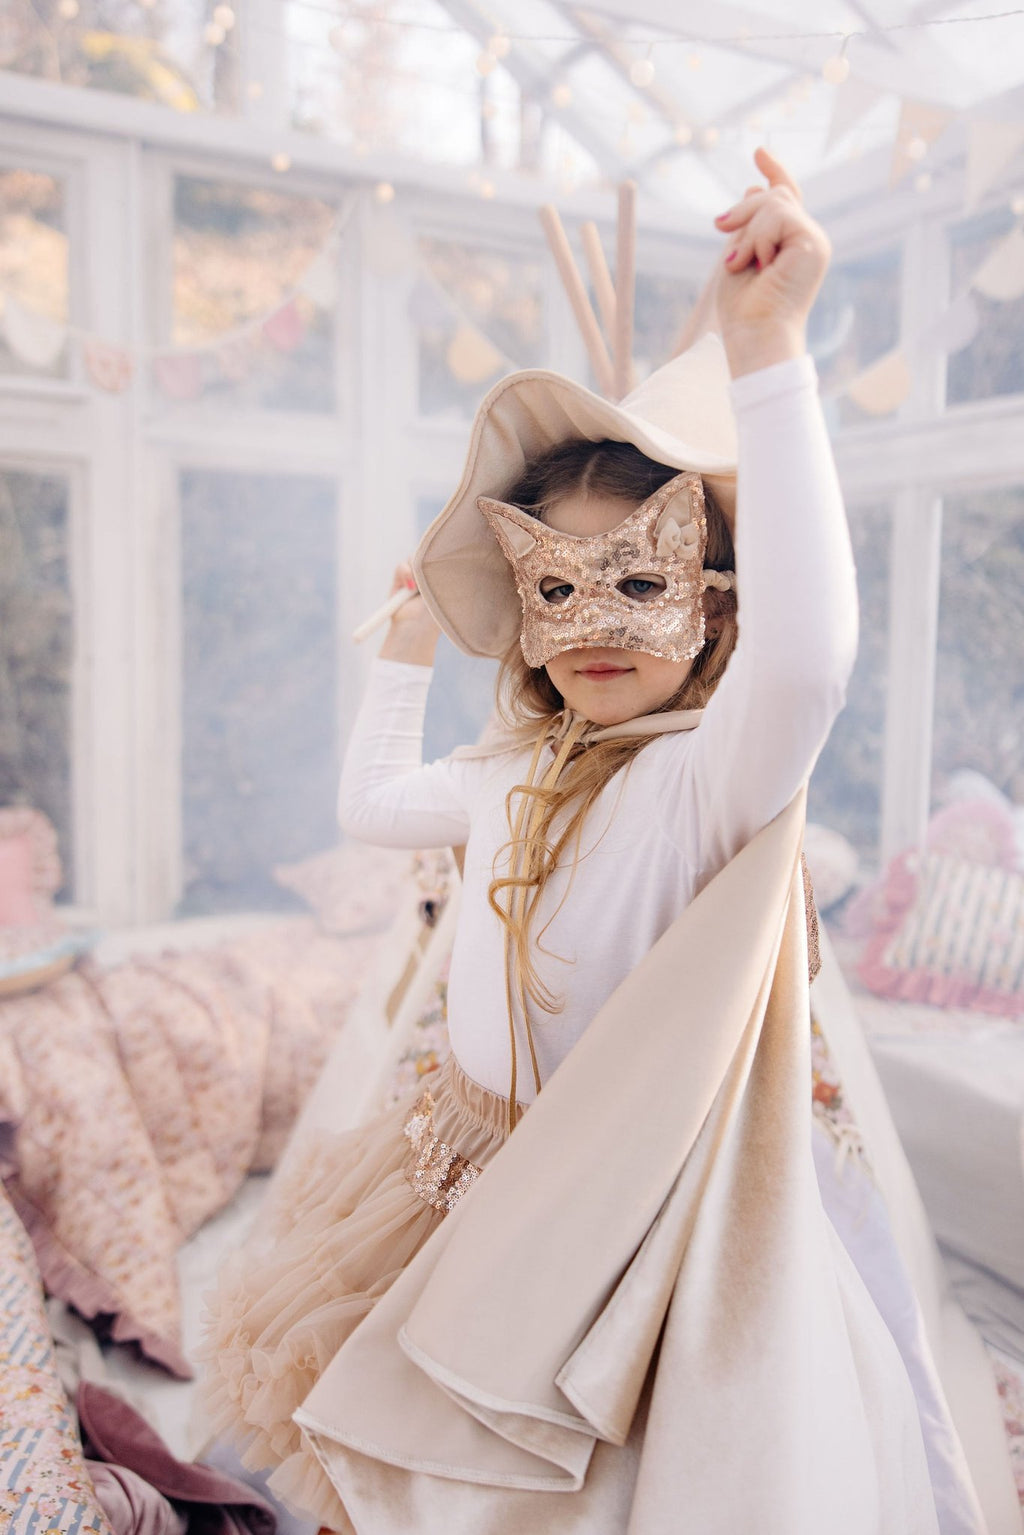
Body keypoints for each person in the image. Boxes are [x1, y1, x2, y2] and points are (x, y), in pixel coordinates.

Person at [202, 149, 972, 1534]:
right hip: (456, 1178)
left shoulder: (709, 782)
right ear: (525, 612)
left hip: (622, 1231)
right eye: (559, 589)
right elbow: (371, 808)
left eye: (643, 582)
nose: (603, 626)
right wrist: (413, 650)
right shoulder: (511, 769)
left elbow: (810, 663)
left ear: (714, 608)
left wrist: (768, 357)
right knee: (398, 1457)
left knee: (580, 1484)